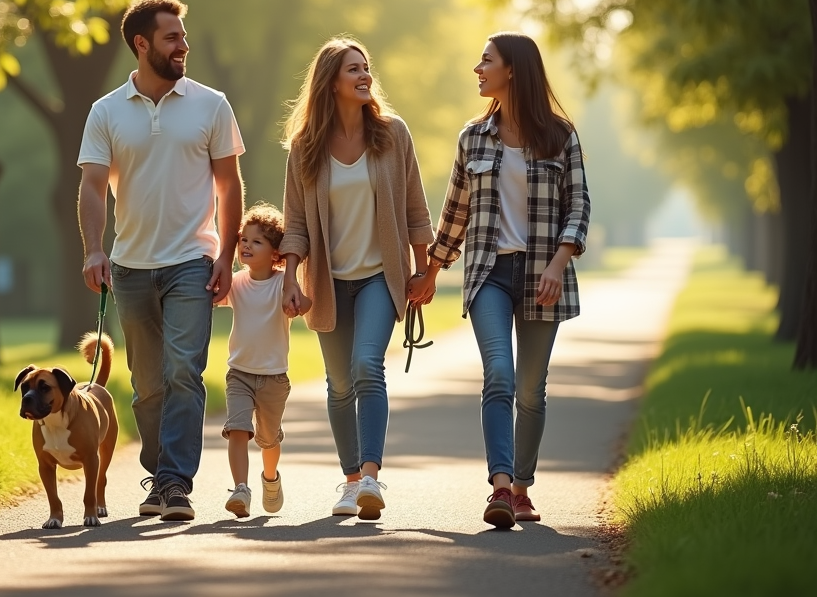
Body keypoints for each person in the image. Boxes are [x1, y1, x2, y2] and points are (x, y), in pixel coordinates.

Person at [409, 32, 591, 529]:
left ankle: (523, 488)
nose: (477, 68)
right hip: (488, 272)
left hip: (542, 276)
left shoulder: (560, 135)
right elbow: (455, 213)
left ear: (512, 70)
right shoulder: (473, 137)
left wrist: (558, 262)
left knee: (532, 389)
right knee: (499, 375)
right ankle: (502, 487)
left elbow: (579, 206)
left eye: (486, 61)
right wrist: (430, 272)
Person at [77, 0, 245, 522]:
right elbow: (90, 186)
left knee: (183, 372)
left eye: (184, 37)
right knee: (147, 385)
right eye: (172, 38)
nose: (183, 46)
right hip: (129, 266)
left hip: (192, 260)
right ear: (141, 44)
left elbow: (229, 185)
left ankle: (174, 483)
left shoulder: (211, 104)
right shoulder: (105, 112)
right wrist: (93, 250)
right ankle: (158, 471)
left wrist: (227, 253)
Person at [280, 37, 433, 521]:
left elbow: (414, 207)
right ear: (331, 81)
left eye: (366, 67)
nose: (365, 75)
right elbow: (296, 223)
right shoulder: (306, 147)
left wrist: (424, 267)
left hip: (379, 278)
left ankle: (370, 476)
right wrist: (290, 278)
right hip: (328, 281)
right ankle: (350, 482)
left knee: (367, 365)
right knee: (338, 382)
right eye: (353, 69)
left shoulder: (392, 134)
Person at [217, 203, 312, 518]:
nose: (246, 245)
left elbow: (306, 300)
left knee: (267, 439)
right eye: (244, 239)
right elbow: (214, 296)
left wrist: (296, 302)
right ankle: (241, 489)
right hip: (239, 373)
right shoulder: (236, 282)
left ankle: (270, 478)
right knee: (238, 429)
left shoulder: (283, 282)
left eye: (257, 242)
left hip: (273, 378)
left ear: (275, 253)